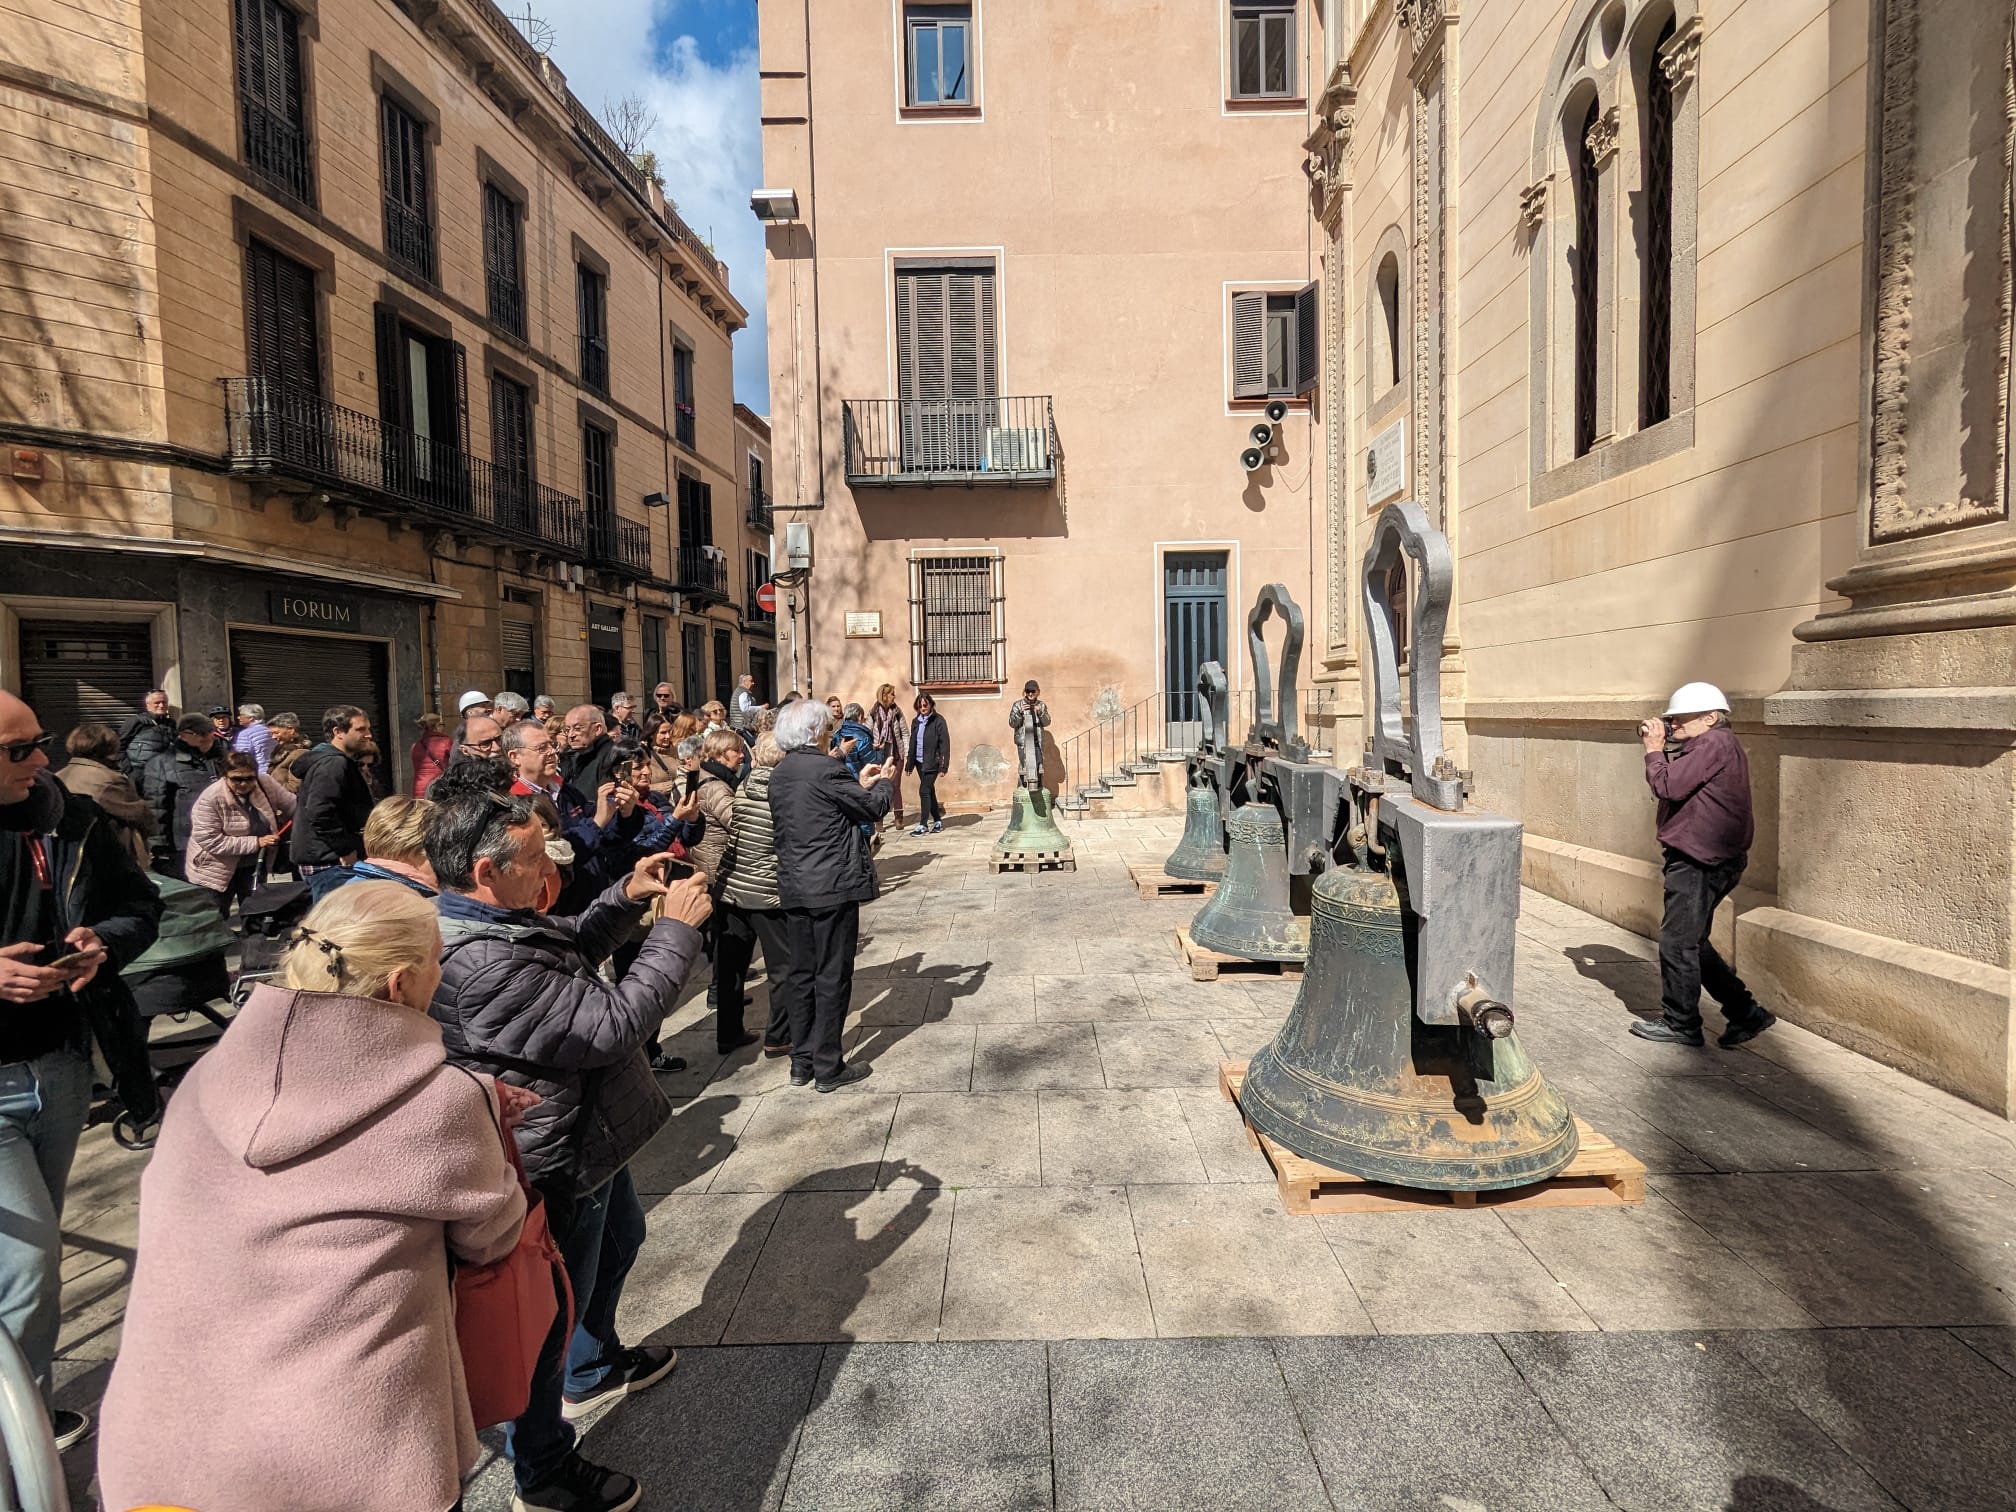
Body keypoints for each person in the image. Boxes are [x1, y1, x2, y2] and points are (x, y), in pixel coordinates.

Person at [96, 881, 526, 1512]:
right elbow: (494, 1234)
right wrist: (484, 1123)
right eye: (439, 960)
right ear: (399, 984)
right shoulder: (442, 1099)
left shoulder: (201, 1080)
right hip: (346, 1458)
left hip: (160, 1454)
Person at [427, 790, 711, 1512]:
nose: (551, 867)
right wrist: (674, 934)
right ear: (487, 871)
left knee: (621, 1242)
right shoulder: (478, 958)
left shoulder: (496, 919)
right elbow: (611, 1024)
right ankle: (544, 1468)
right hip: (548, 1159)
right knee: (546, 1315)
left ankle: (595, 1362)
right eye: (535, 859)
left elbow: (571, 945)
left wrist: (624, 896)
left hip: (588, 1140)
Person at [0, 689, 161, 1453]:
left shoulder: (68, 814)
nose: (40, 761)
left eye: (40, 742)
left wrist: (103, 944)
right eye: (17, 750)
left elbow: (140, 907)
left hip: (63, 1067)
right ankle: (23, 1438)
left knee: (23, 1260)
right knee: (30, 1268)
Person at [1633, 683, 1778, 1050]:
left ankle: (1681, 1023)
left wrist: (1653, 750)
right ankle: (1746, 1012)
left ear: (1711, 717)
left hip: (1699, 860)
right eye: (1671, 720)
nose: (1673, 725)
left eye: (1680, 718)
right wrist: (1665, 748)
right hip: (1708, 857)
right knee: (1694, 942)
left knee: (1677, 942)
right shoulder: (1708, 746)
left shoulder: (1713, 743)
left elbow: (1668, 786)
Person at [769, 700, 891, 1092]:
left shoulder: (780, 772)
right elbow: (871, 808)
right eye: (826, 729)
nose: (830, 735)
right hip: (831, 886)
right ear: (814, 733)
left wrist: (859, 784)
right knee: (832, 976)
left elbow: (827, 806)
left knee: (802, 975)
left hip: (795, 886)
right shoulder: (826, 768)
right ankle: (828, 1065)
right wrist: (886, 780)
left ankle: (801, 1062)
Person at [716, 731, 793, 1057]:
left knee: (731, 967)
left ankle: (728, 1033)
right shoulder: (783, 791)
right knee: (784, 968)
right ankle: (778, 1037)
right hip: (764, 890)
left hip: (731, 886)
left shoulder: (744, 785)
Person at [688, 728, 751, 1051]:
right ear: (718, 755)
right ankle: (727, 1020)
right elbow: (738, 822)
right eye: (736, 752)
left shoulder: (714, 780)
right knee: (729, 948)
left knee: (726, 947)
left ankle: (727, 1009)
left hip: (714, 870)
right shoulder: (716, 788)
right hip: (718, 873)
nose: (741, 756)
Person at [185, 751, 294, 916]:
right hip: (215, 869)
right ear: (225, 776)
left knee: (255, 915)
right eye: (237, 779)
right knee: (216, 919)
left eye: (249, 778)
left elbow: (292, 805)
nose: (243, 784)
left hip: (253, 866)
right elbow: (210, 841)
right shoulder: (211, 798)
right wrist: (256, 842)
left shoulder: (265, 783)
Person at [304, 795, 440, 900]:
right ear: (409, 852)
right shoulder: (408, 907)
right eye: (442, 851)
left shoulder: (350, 891)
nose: (449, 861)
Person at [292, 705, 375, 875]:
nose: (368, 735)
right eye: (360, 729)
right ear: (338, 732)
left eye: (368, 729)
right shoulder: (333, 763)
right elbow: (320, 812)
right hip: (329, 862)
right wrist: (344, 849)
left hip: (327, 858)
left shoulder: (334, 761)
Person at [140, 714, 224, 879]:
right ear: (183, 734)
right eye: (199, 734)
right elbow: (156, 807)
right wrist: (159, 847)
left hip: (221, 841)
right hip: (183, 845)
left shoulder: (223, 759)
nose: (206, 737)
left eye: (209, 732)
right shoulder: (163, 763)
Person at [57, 723, 153, 867]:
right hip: (110, 856)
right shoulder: (109, 780)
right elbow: (139, 815)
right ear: (108, 747)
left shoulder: (58, 776)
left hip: (70, 853)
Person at [867, 684, 908, 830]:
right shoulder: (873, 712)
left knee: (896, 785)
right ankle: (879, 820)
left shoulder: (897, 712)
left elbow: (904, 733)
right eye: (892, 694)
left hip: (896, 753)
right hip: (879, 754)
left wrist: (906, 753)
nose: (894, 697)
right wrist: (873, 745)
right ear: (884, 696)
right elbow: (868, 732)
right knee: (879, 786)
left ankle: (899, 818)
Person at [909, 692, 950, 836]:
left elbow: (944, 744)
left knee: (924, 790)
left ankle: (923, 824)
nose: (922, 707)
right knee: (929, 791)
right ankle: (938, 821)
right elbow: (913, 743)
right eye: (920, 705)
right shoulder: (916, 722)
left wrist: (943, 766)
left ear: (931, 704)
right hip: (920, 763)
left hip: (933, 762)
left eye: (925, 704)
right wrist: (910, 764)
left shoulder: (938, 721)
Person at [563, 704, 623, 797]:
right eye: (567, 730)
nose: (571, 735)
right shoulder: (574, 755)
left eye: (577, 729)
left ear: (597, 729)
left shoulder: (614, 756)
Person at [117, 690, 175, 776]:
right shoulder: (136, 721)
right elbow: (118, 746)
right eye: (157, 703)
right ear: (148, 705)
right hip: (140, 772)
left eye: (164, 702)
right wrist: (129, 770)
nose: (161, 705)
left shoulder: (171, 723)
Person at [1009, 679, 1050, 792]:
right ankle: (1022, 789)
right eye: (1028, 691)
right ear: (1024, 692)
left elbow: (1047, 722)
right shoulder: (1017, 705)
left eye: (1033, 691)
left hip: (1037, 742)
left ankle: (1039, 792)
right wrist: (1019, 713)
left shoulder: (1041, 705)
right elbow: (1012, 723)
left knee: (1038, 767)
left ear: (1038, 692)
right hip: (1023, 742)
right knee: (1024, 766)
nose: (1030, 694)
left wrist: (1040, 712)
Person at [411, 713, 452, 797]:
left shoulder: (415, 746)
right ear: (437, 726)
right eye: (442, 724)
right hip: (438, 788)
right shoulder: (447, 742)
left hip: (419, 789)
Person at [267, 712, 311, 791]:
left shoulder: (299, 753)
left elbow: (295, 787)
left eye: (276, 733)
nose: (273, 737)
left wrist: (273, 791)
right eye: (271, 734)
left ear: (290, 730)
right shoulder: (280, 750)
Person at [231, 703, 274, 774]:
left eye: (241, 715)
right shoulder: (270, 730)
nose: (238, 717)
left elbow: (242, 758)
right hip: (271, 770)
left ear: (251, 718)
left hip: (257, 772)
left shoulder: (245, 734)